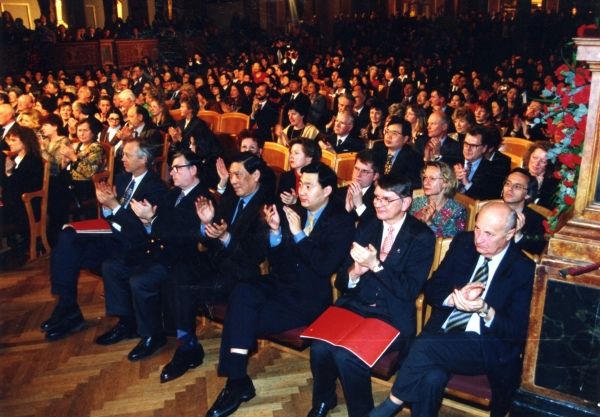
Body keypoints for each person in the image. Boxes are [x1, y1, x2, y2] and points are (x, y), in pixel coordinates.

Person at [206, 162, 355, 417]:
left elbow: (323, 266)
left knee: (239, 317)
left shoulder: (341, 221)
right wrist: (275, 233)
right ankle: (237, 381)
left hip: (308, 296)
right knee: (243, 290)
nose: (302, 191)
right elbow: (278, 261)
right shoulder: (294, 211)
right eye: (301, 184)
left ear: (327, 190)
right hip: (281, 281)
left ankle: (237, 383)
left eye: (309, 186)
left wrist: (298, 234)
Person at [369, 203, 535, 417]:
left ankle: (389, 406)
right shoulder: (463, 244)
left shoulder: (523, 269)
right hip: (445, 335)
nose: (479, 239)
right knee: (431, 378)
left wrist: (485, 309)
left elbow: (518, 330)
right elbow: (433, 287)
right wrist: (453, 299)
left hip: (485, 346)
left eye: (489, 234)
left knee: (423, 344)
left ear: (510, 234)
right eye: (477, 229)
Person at [309, 173, 435, 417]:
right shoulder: (368, 226)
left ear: (406, 203)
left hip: (390, 314)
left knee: (347, 357)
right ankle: (323, 400)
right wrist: (355, 272)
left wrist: (376, 265)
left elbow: (410, 290)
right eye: (376, 198)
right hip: (356, 305)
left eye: (386, 199)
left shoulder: (421, 236)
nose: (378, 204)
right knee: (320, 347)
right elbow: (342, 279)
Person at [160, 152, 273, 383]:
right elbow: (210, 240)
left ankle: (187, 348)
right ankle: (188, 344)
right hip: (217, 260)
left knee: (186, 288)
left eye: (238, 175)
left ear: (256, 175)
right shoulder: (231, 196)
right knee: (178, 269)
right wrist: (207, 224)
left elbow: (254, 256)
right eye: (230, 175)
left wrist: (225, 237)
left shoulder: (267, 206)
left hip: (241, 272)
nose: (233, 180)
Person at [41, 139, 167, 340]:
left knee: (68, 253)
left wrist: (114, 205)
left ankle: (71, 310)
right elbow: (113, 217)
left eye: (128, 155)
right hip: (113, 236)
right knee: (65, 241)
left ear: (144, 159)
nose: (123, 159)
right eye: (123, 154)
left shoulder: (155, 187)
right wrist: (107, 206)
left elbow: (140, 230)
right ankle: (67, 306)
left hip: (133, 244)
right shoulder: (123, 178)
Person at [99, 151, 214, 360]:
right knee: (112, 266)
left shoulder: (202, 198)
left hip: (179, 258)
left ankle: (153, 335)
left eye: (177, 168)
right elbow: (159, 226)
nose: (172, 173)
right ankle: (127, 322)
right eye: (172, 168)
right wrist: (147, 221)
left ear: (193, 170)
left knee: (140, 281)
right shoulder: (174, 193)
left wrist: (151, 219)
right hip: (157, 249)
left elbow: (183, 236)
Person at [1, 126, 44, 239]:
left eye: (13, 140)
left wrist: (9, 173)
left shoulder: (32, 161)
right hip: (15, 204)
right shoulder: (15, 159)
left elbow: (18, 187)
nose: (9, 143)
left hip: (25, 207)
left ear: (25, 142)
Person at [60, 119, 106, 216]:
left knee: (57, 196)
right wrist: (65, 161)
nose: (82, 134)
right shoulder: (77, 145)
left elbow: (90, 172)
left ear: (93, 132)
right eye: (79, 130)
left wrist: (73, 157)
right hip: (72, 183)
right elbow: (65, 168)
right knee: (53, 187)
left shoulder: (96, 147)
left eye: (85, 130)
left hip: (86, 186)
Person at [410, 161, 466, 238]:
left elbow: (450, 242)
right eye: (425, 177)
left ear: (446, 183)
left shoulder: (457, 211)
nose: (426, 182)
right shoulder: (417, 202)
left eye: (432, 178)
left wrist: (429, 223)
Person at [453, 125, 507, 201]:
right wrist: (453, 179)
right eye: (466, 143)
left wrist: (467, 184)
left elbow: (490, 200)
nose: (468, 149)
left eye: (473, 145)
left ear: (484, 148)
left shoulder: (494, 170)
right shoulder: (452, 160)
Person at [501, 168, 547, 255]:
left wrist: (518, 235)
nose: (510, 188)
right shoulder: (488, 211)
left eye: (517, 186)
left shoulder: (538, 222)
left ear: (528, 195)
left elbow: (535, 255)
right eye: (508, 183)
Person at [373, 116, 422, 188]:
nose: (389, 136)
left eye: (394, 133)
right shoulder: (378, 148)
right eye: (387, 132)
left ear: (405, 139)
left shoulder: (413, 157)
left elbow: (413, 184)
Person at [336, 149, 382, 224]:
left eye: (364, 171)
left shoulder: (378, 199)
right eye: (356, 168)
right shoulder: (339, 192)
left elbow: (373, 226)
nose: (358, 174)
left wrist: (359, 206)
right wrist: (346, 211)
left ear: (375, 176)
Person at [277, 138, 322, 206]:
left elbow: (317, 206)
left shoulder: (319, 179)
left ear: (309, 157)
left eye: (296, 153)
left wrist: (295, 201)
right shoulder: (286, 177)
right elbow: (279, 203)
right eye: (291, 153)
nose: (291, 156)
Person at [523, 141, 558, 209]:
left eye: (543, 161)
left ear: (549, 164)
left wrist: (536, 191)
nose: (537, 163)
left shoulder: (551, 186)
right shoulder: (519, 174)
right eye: (534, 157)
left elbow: (543, 211)